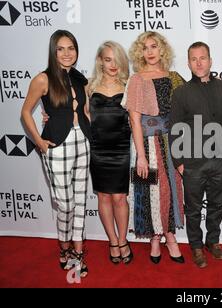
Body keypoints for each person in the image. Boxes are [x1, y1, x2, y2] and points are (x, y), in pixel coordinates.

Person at [21, 29, 91, 277]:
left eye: (71, 47)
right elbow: (25, 112)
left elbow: (85, 111)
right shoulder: (43, 79)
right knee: (66, 204)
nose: (66, 53)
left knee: (81, 202)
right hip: (57, 147)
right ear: (53, 51)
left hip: (82, 143)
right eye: (60, 48)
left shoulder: (81, 79)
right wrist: (39, 141)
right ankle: (64, 247)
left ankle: (79, 251)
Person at [123, 31, 185, 264]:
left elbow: (186, 111)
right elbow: (134, 120)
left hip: (171, 143)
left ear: (162, 50)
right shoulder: (137, 79)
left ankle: (170, 236)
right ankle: (155, 238)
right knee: (149, 190)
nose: (150, 52)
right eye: (145, 47)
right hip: (147, 145)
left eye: (154, 46)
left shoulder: (175, 77)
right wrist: (140, 156)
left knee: (171, 188)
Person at [169, 42, 222, 268]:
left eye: (203, 58)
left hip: (219, 161)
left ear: (210, 60)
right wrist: (179, 163)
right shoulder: (181, 93)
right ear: (188, 63)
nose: (199, 62)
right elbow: (174, 129)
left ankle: (212, 241)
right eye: (194, 59)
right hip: (192, 162)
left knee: (216, 204)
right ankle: (196, 245)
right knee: (194, 209)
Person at [87, 41, 133, 264]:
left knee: (120, 197)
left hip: (121, 149)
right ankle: (113, 241)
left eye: (116, 59)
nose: (113, 64)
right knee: (104, 196)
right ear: (100, 61)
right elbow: (77, 114)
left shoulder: (129, 84)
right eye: (107, 59)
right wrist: (49, 117)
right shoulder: (88, 86)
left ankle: (123, 240)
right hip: (98, 150)